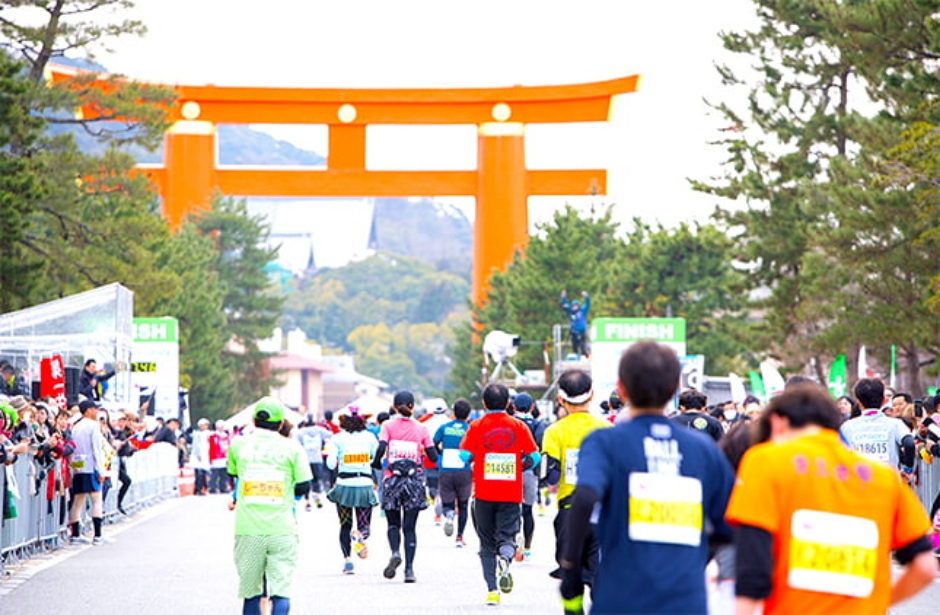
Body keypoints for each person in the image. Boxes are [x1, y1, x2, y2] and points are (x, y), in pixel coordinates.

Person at [726, 383, 937, 614]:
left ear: (778, 423)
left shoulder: (766, 461)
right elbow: (925, 566)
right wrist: (878, 603)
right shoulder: (882, 476)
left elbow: (752, 564)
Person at [558, 341, 735, 615]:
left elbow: (584, 498)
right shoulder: (704, 450)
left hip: (620, 598)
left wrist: (570, 571)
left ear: (621, 389)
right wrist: (692, 560)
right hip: (684, 600)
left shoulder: (604, 442)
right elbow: (728, 524)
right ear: (675, 389)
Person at [227, 397, 312, 615]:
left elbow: (234, 475)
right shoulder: (292, 448)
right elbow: (304, 486)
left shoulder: (238, 444)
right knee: (281, 593)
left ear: (254, 420)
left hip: (248, 531)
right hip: (282, 530)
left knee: (251, 593)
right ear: (281, 423)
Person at [460, 383, 540, 606]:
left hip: (484, 493)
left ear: (484, 403)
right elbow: (535, 458)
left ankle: (492, 590)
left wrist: (478, 458)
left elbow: (463, 457)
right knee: (507, 536)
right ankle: (505, 558)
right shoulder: (518, 426)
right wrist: (518, 466)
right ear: (508, 403)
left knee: (486, 543)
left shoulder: (476, 426)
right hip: (511, 493)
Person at [540, 371, 610, 584]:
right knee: (600, 577)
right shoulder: (607, 429)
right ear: (592, 395)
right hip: (604, 512)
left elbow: (549, 476)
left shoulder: (554, 431)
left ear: (560, 399)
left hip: (570, 511)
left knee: (572, 580)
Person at [372, 390, 438, 583]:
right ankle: (409, 570)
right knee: (410, 527)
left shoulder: (387, 425)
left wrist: (376, 462)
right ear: (413, 406)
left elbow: (382, 447)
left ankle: (394, 552)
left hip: (392, 480)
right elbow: (433, 455)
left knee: (393, 524)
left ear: (394, 407)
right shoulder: (421, 428)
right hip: (413, 481)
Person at [324, 407, 379, 575]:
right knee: (364, 525)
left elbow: (331, 464)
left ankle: (347, 561)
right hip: (364, 485)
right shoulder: (370, 437)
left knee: (345, 525)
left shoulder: (337, 438)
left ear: (343, 420)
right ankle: (360, 534)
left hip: (344, 487)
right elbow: (376, 458)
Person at [840, 378, 915, 481]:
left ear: (859, 403)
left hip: (858, 486)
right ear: (884, 400)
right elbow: (909, 444)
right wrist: (908, 470)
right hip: (889, 484)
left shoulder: (846, 427)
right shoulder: (895, 424)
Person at [433, 397, 473, 547]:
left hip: (446, 468)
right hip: (464, 469)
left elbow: (433, 443)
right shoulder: (469, 429)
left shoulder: (444, 427)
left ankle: (449, 515)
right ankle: (459, 537)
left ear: (453, 412)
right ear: (468, 414)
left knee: (447, 501)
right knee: (463, 505)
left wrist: (440, 455)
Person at [68, 399, 109, 545]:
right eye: (94, 409)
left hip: (78, 464)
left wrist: (73, 467)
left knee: (78, 500)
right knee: (96, 499)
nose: (97, 411)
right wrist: (101, 469)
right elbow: (96, 448)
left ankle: (76, 533)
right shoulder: (93, 426)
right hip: (90, 465)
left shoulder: (76, 426)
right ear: (88, 410)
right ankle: (98, 535)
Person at [512, 392, 544, 558]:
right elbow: (539, 446)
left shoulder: (512, 423)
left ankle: (514, 541)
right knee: (528, 510)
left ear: (514, 406)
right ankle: (528, 547)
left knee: (512, 509)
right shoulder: (538, 425)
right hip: (530, 471)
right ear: (532, 407)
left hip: (512, 471)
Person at [295, 416, 333, 510]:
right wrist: (327, 427)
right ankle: (316, 496)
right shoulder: (320, 430)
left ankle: (307, 501)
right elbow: (330, 435)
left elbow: (296, 444)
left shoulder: (301, 432)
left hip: (305, 459)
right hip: (317, 459)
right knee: (317, 479)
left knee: (306, 480)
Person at [559, 290, 591, 357]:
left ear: (578, 306)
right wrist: (563, 297)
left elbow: (588, 304)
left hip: (581, 331)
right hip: (574, 331)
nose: (574, 308)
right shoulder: (570, 311)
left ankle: (584, 357)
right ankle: (575, 357)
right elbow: (565, 304)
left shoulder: (582, 311)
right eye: (573, 306)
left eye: (576, 306)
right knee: (574, 347)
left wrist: (586, 297)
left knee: (583, 346)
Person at [208, 420, 231, 493]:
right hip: (216, 457)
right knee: (214, 474)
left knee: (224, 474)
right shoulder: (213, 436)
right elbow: (211, 447)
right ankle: (212, 488)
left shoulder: (226, 435)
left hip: (224, 456)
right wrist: (211, 457)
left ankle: (223, 487)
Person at [190, 418, 212, 495]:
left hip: (206, 456)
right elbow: (196, 446)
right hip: (198, 457)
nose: (204, 426)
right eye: (202, 425)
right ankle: (198, 489)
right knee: (199, 474)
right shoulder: (197, 434)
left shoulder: (209, 433)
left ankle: (204, 488)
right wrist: (198, 455)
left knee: (204, 474)